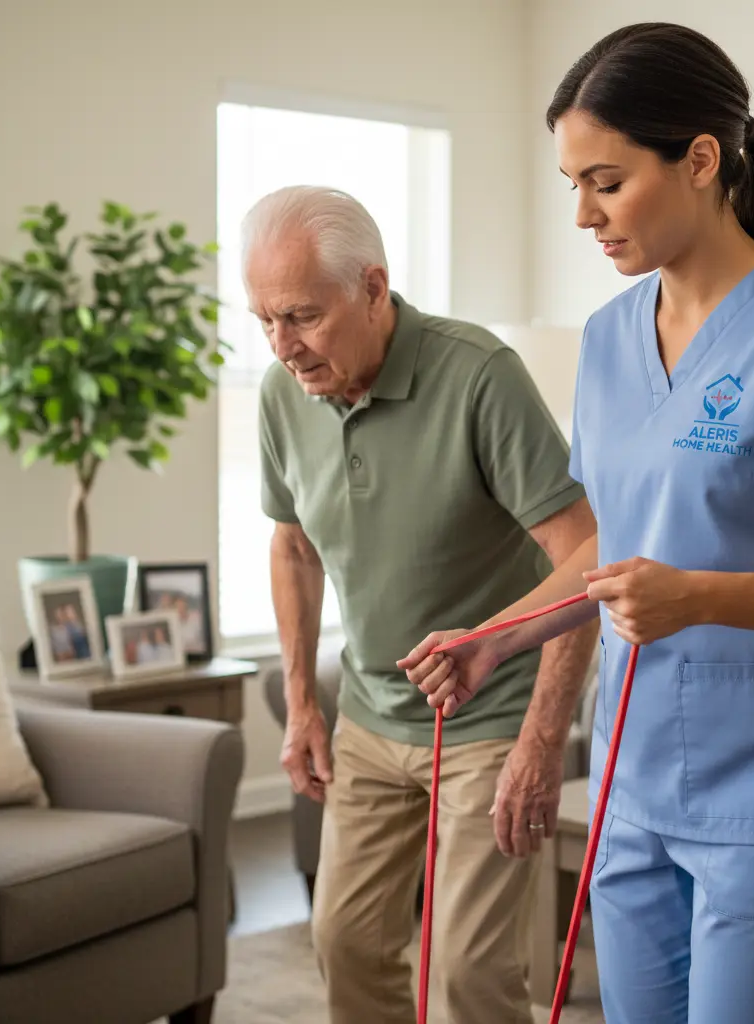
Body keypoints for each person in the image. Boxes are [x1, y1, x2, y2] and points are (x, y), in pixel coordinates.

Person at [401, 22, 754, 1024]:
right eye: (572, 186)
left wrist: (697, 597)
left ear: (699, 159)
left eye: (606, 180)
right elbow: (615, 547)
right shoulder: (605, 340)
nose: (584, 215)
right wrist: (498, 639)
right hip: (630, 790)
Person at [243, 185, 598, 1024]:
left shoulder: (479, 376)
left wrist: (543, 740)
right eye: (264, 319)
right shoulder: (278, 393)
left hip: (489, 719)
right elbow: (292, 545)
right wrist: (301, 704)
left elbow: (587, 555)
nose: (283, 346)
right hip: (370, 719)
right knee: (347, 944)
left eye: (301, 315)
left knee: (465, 978)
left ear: (373, 287)